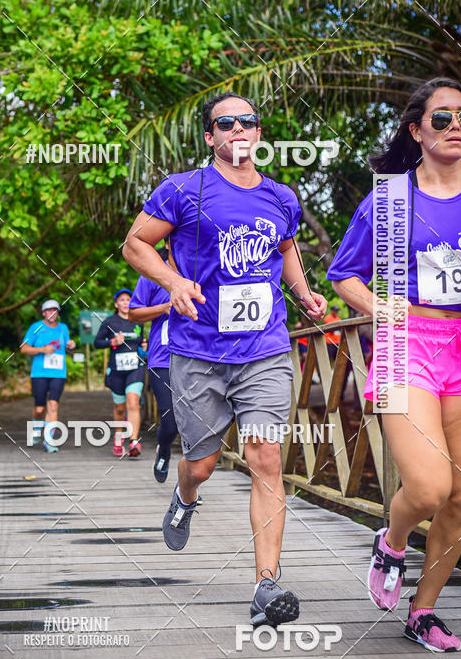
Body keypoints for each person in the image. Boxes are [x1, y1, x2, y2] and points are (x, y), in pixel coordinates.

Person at [122, 91, 327, 627]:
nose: (238, 128)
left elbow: (285, 248)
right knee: (204, 464)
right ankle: (185, 496)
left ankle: (266, 586)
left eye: (248, 121)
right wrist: (173, 281)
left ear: (258, 133)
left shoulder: (281, 196)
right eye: (225, 123)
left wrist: (304, 294)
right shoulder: (184, 189)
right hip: (198, 353)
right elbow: (135, 245)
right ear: (211, 137)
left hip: (264, 349)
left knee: (265, 458)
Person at [327, 77, 461, 652]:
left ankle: (424, 611)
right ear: (416, 130)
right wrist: (385, 310)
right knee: (429, 484)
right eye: (442, 119)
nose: (457, 128)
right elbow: (343, 275)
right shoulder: (391, 200)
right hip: (405, 344)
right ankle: (392, 540)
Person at [128, 241, 178, 483]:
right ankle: (164, 449)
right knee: (170, 422)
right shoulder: (152, 275)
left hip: (199, 357)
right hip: (163, 359)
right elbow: (133, 313)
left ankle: (190, 482)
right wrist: (164, 308)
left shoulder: (200, 269)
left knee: (197, 422)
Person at [94, 289, 147, 457]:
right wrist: (113, 341)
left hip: (135, 367)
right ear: (116, 304)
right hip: (116, 370)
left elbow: (141, 341)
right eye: (122, 300)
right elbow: (97, 342)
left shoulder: (137, 321)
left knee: (133, 402)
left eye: (128, 300)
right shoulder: (110, 322)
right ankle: (118, 438)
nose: (125, 303)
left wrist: (143, 347)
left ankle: (133, 441)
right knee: (119, 408)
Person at [21, 299, 76, 453]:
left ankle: (50, 441)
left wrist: (71, 345)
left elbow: (66, 346)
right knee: (39, 409)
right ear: (44, 313)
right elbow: (24, 349)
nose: (51, 313)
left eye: (55, 311)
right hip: (39, 373)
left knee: (53, 405)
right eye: (48, 310)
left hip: (58, 372)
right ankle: (36, 427)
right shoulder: (36, 327)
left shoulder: (63, 328)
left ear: (57, 313)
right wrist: (42, 349)